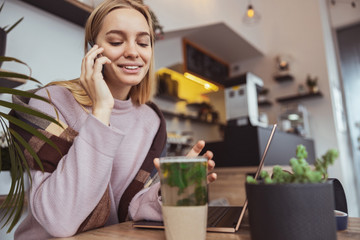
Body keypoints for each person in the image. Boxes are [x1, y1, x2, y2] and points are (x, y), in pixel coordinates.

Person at [13, 0, 216, 239]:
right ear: (92, 49)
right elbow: (60, 220)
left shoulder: (151, 120)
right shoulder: (50, 101)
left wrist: (172, 190)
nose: (133, 52)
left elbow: (131, 206)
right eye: (116, 41)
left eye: (143, 42)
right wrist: (101, 111)